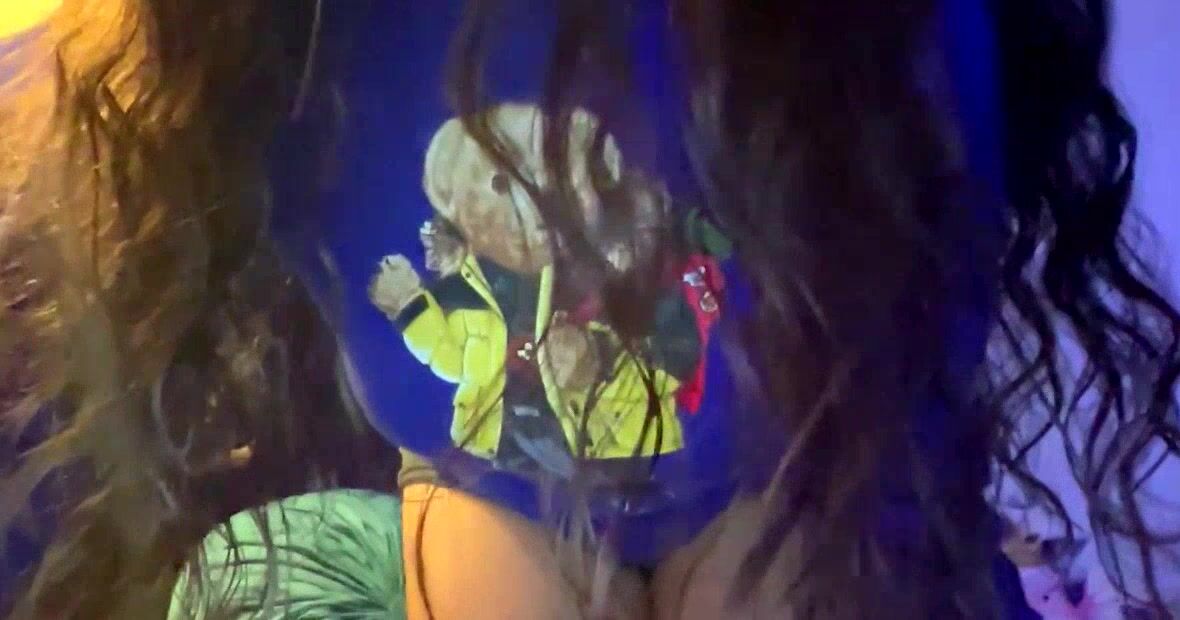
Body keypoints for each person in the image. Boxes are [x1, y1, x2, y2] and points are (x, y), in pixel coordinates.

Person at [2, 0, 1175, 618]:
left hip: (803, 475)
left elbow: (905, 327)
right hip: (483, 479)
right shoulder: (251, 49)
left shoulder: (866, 57)